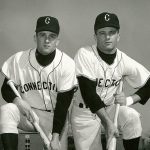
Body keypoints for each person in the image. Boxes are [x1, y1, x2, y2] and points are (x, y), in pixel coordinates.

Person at [71, 12, 150, 150]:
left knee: (132, 117)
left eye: (112, 32)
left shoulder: (123, 59)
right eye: (102, 33)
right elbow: (89, 94)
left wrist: (129, 100)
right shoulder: (84, 54)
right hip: (85, 113)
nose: (107, 37)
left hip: (111, 109)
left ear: (118, 36)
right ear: (95, 36)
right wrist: (108, 123)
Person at [0, 16, 77, 150]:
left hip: (55, 117)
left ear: (57, 41)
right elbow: (6, 89)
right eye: (42, 35)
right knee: (7, 110)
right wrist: (18, 102)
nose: (47, 40)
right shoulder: (19, 59)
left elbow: (62, 105)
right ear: (35, 37)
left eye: (52, 36)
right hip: (28, 114)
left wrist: (55, 137)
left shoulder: (67, 64)